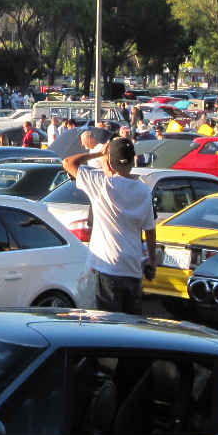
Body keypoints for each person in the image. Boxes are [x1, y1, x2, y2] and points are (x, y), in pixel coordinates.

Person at [61, 135, 157, 315]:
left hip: (108, 267)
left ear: (109, 162)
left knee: (108, 322)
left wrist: (98, 153)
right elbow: (150, 230)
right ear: (132, 161)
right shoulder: (144, 190)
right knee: (132, 323)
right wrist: (152, 260)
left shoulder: (102, 185)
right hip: (133, 267)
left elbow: (68, 162)